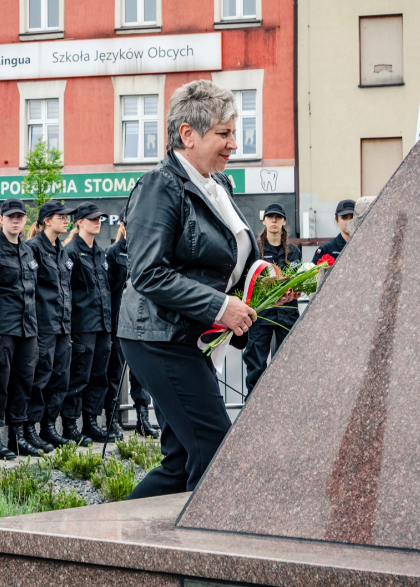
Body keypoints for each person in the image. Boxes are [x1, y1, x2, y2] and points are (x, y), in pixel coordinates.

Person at [120, 80, 292, 499]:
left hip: (187, 337)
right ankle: (193, 557)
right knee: (216, 451)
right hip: (158, 337)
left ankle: (106, 552)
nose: (234, 143)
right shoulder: (159, 185)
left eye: (234, 132)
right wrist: (220, 307)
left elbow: (232, 257)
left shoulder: (219, 186)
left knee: (182, 464)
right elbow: (147, 273)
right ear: (188, 134)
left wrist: (262, 275)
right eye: (224, 133)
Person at [0, 199, 43, 459]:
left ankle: (16, 437)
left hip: (27, 329)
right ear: (1, 219)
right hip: (0, 329)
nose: (16, 221)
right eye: (11, 216)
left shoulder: (28, 251)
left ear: (26, 220)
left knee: (23, 382)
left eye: (20, 217)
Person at [60, 202, 113, 445]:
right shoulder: (70, 251)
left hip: (102, 325)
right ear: (79, 221)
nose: (97, 222)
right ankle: (70, 424)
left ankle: (91, 422)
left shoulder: (100, 252)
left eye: (99, 218)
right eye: (92, 219)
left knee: (98, 376)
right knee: (79, 376)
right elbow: (66, 292)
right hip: (82, 325)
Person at [24, 200, 75, 449]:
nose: (67, 221)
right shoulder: (33, 248)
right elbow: (29, 289)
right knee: (40, 378)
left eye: (67, 217)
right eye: (61, 217)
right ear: (47, 220)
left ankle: (48, 427)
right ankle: (30, 428)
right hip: (43, 325)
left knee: (60, 378)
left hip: (63, 326)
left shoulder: (61, 249)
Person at [104, 214, 158, 439]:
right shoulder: (113, 253)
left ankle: (143, 420)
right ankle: (112, 420)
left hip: (141, 321)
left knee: (141, 374)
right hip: (118, 322)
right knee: (115, 373)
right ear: (123, 226)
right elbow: (106, 291)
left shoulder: (147, 253)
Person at [243, 203, 302, 396]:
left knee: (286, 366)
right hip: (261, 316)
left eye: (278, 217)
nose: (274, 220)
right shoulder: (255, 250)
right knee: (256, 367)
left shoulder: (293, 251)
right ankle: (252, 411)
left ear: (284, 221)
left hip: (287, 314)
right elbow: (248, 280)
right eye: (270, 217)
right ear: (264, 221)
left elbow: (297, 282)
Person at [312, 199, 355, 265]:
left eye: (353, 218)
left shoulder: (366, 247)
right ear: (337, 219)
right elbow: (314, 272)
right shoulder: (326, 249)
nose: (349, 222)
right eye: (344, 218)